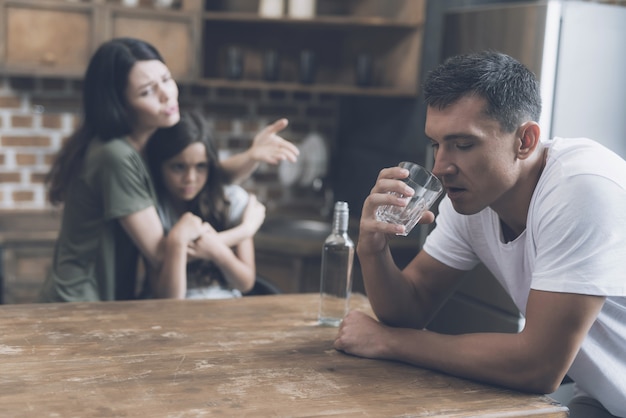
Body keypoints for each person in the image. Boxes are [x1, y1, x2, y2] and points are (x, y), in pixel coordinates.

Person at [333, 51, 626, 418]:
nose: (440, 167)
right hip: (603, 398)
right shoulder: (476, 196)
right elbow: (410, 307)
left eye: (464, 145)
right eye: (436, 144)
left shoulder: (582, 187)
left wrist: (392, 342)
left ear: (526, 140)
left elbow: (538, 366)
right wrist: (372, 248)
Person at [39, 37, 298, 303]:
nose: (167, 94)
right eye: (147, 91)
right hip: (79, 300)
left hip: (103, 297)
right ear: (120, 104)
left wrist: (251, 156)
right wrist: (245, 230)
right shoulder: (116, 156)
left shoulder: (144, 145)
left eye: (166, 78)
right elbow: (164, 253)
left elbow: (203, 176)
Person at [144, 111, 265, 299]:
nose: (190, 178)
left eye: (201, 166)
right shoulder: (153, 211)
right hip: (174, 315)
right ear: (160, 165)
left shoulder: (231, 201)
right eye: (178, 167)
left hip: (227, 311)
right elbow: (168, 300)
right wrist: (177, 240)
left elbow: (245, 282)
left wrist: (216, 251)